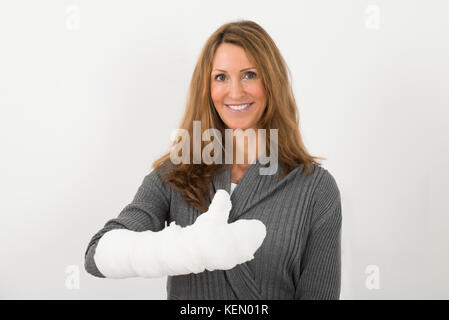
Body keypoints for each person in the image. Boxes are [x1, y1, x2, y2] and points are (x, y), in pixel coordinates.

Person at [84, 19, 342, 300]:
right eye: (221, 77)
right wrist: (190, 249)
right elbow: (97, 254)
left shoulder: (317, 189)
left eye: (249, 75)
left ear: (272, 83)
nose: (235, 92)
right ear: (206, 87)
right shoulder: (175, 173)